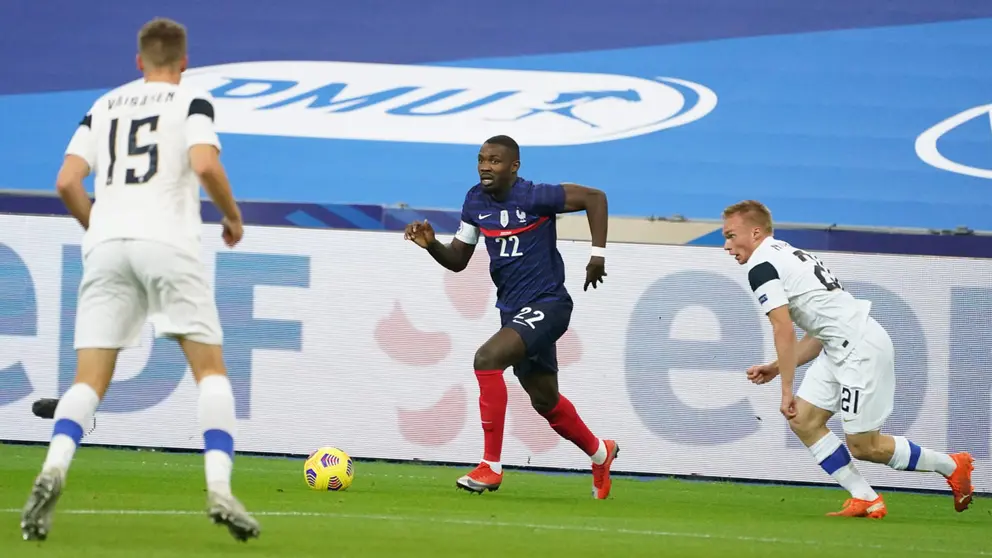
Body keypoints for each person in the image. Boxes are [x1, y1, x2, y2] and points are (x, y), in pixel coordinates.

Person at [19, 17, 260, 542]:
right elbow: (205, 164)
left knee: (88, 381)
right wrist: (232, 216)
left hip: (106, 246)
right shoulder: (190, 102)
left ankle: (52, 470)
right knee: (211, 370)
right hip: (167, 242)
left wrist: (99, 225)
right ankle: (219, 488)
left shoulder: (103, 105)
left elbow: (66, 180)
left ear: (137, 62)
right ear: (184, 62)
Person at [722, 199, 974, 518]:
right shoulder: (786, 253)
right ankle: (865, 497)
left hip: (860, 349)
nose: (727, 246)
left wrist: (786, 388)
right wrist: (775, 368)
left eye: (731, 236)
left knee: (864, 446)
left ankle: (952, 465)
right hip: (839, 344)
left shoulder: (762, 266)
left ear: (755, 232)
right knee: (803, 419)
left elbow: (782, 328)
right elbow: (818, 333)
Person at [404, 135, 619, 498]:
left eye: (495, 161)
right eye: (481, 159)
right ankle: (601, 452)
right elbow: (459, 260)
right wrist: (432, 246)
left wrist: (597, 254)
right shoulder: (475, 201)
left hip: (549, 303)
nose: (486, 167)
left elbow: (595, 198)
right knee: (545, 401)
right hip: (514, 312)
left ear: (514, 166)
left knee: (487, 359)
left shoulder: (535, 197)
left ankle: (490, 466)